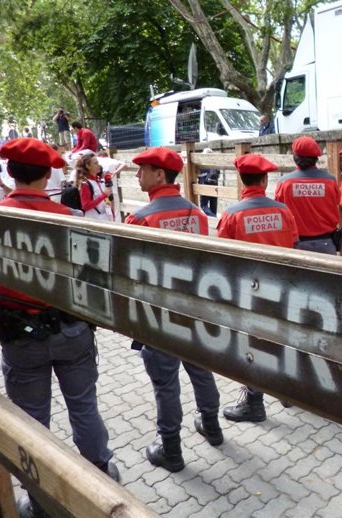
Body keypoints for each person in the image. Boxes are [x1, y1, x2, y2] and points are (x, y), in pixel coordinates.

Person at [0, 138, 118, 517]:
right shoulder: (69, 218)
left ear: (10, 172)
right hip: (71, 330)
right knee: (84, 407)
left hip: (21, 337)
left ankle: (40, 500)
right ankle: (100, 481)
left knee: (31, 423)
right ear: (48, 173)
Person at [125, 147, 223, 472]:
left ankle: (171, 450)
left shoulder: (140, 219)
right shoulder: (197, 215)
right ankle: (212, 426)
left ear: (160, 175)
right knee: (201, 368)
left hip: (159, 317)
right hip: (194, 312)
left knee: (166, 385)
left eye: (143, 170)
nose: (138, 175)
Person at [217, 154, 298, 422]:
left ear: (242, 179)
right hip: (282, 290)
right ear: (265, 179)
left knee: (252, 347)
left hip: (249, 294)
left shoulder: (231, 216)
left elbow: (223, 260)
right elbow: (294, 248)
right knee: (281, 339)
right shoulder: (284, 211)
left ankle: (254, 403)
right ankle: (287, 390)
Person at [274, 136, 340, 255]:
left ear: (295, 157)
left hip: (297, 244)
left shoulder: (284, 183)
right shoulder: (330, 181)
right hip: (326, 243)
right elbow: (337, 202)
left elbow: (279, 212)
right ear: (316, 157)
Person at [75, 153, 114, 221]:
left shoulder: (99, 180)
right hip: (94, 220)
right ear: (88, 166)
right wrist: (103, 195)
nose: (99, 165)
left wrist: (108, 201)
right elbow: (85, 206)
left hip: (105, 217)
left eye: (98, 162)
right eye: (95, 163)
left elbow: (104, 199)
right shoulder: (85, 184)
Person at [197, 148, 220, 216]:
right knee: (213, 205)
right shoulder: (215, 165)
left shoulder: (202, 165)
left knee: (203, 205)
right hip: (215, 185)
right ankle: (214, 218)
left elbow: (198, 175)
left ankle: (212, 217)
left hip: (204, 184)